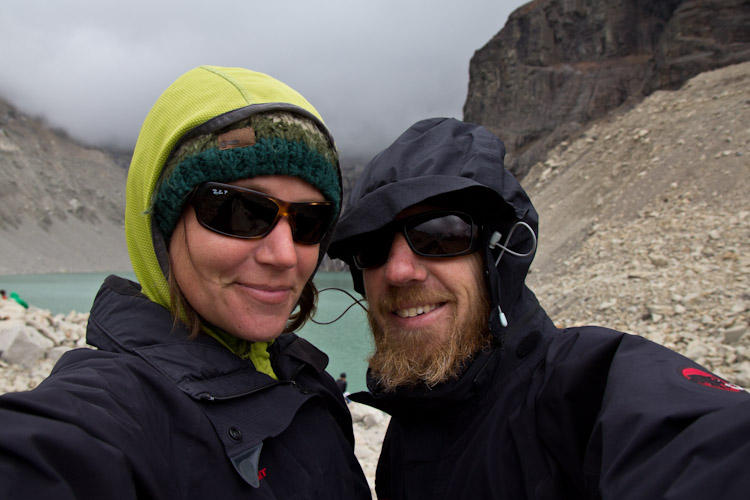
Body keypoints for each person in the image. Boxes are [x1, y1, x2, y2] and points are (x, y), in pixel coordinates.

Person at [327, 117, 750, 499]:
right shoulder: (410, 422)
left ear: (498, 256)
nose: (399, 271)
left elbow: (709, 446)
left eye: (441, 234)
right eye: (373, 246)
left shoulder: (583, 390)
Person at [0, 66, 370, 499]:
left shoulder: (309, 381)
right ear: (162, 224)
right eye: (240, 212)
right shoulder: (109, 412)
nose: (284, 254)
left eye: (309, 220)